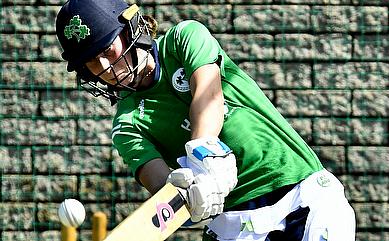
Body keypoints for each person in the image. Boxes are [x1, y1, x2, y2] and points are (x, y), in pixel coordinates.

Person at [55, 0, 356, 240]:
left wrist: (202, 153)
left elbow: (208, 95)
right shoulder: (127, 124)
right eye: (92, 62)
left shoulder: (183, 38)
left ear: (131, 29)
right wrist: (186, 191)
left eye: (107, 49)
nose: (106, 67)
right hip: (234, 226)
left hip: (299, 192)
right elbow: (159, 183)